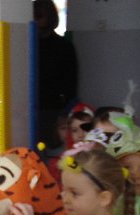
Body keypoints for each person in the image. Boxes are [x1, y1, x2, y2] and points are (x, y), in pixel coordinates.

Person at [34, 0, 78, 149]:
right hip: (29, 104)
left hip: (53, 106)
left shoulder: (63, 46)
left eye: (39, 16)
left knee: (52, 145)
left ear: (50, 17)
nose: (36, 20)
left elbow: (71, 81)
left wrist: (67, 109)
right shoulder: (26, 44)